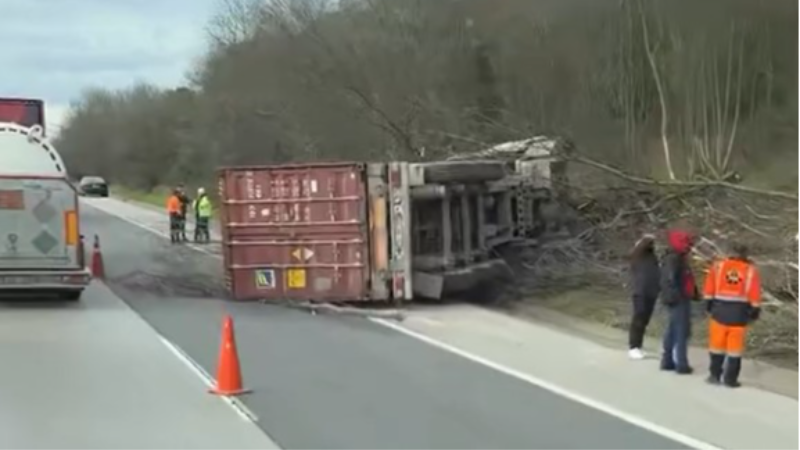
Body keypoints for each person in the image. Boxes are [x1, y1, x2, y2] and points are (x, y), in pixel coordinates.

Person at [702, 244, 761, 387]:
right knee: (734, 350)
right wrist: (754, 312)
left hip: (719, 313)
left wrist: (708, 307)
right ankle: (730, 379)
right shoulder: (750, 271)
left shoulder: (717, 267)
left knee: (716, 346)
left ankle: (714, 375)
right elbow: (755, 294)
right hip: (739, 316)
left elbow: (709, 290)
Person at [660, 229, 699, 374]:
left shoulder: (675, 257)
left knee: (672, 329)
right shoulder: (675, 259)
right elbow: (672, 280)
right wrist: (679, 295)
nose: (689, 247)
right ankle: (681, 363)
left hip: (677, 297)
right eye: (687, 243)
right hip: (679, 298)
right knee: (682, 331)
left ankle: (667, 360)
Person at [627, 234, 660, 359]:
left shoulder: (652, 257)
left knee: (644, 320)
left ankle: (638, 346)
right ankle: (633, 346)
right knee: (639, 319)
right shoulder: (638, 256)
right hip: (641, 292)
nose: (653, 245)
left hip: (651, 292)